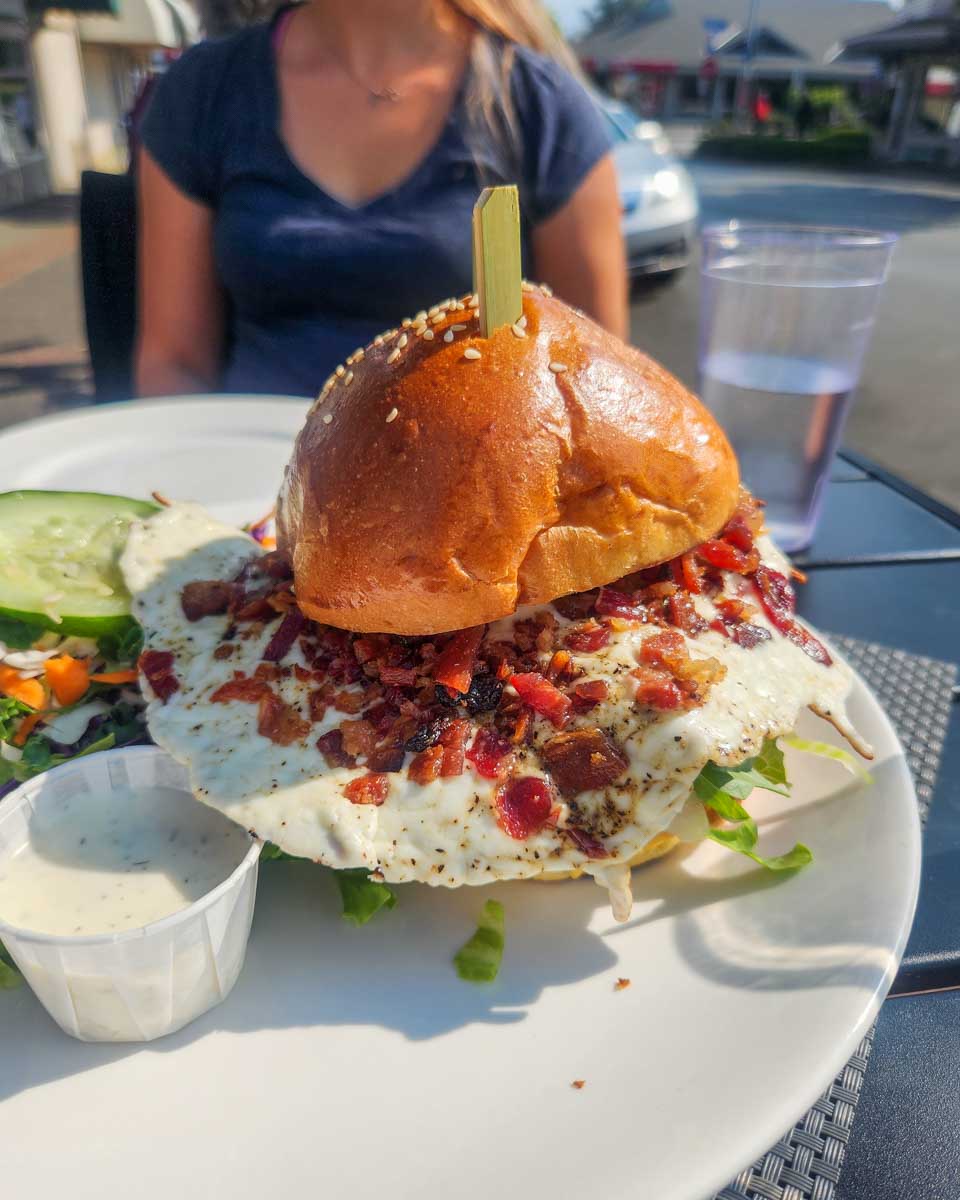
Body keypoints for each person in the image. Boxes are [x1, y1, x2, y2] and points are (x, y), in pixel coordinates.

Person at [136, 0, 627, 399]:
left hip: (462, 499)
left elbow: (596, 386)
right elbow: (173, 365)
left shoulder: (541, 107)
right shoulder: (203, 91)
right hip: (245, 494)